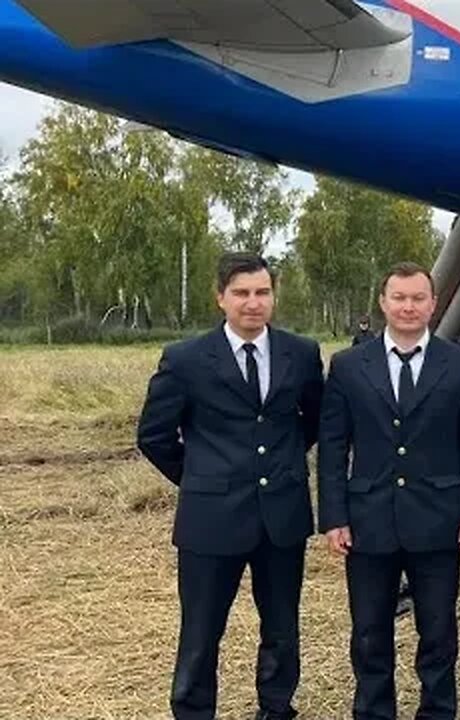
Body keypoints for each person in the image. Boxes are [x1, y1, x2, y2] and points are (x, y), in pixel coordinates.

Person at [136, 252, 324, 720]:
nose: (253, 303)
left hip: (281, 516)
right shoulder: (185, 360)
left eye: (262, 292)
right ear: (220, 297)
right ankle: (194, 712)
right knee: (201, 632)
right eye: (241, 293)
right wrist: (200, 476)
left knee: (282, 629)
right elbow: (154, 435)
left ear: (273, 297)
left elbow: (315, 420)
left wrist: (281, 467)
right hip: (210, 519)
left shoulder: (301, 353)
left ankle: (276, 709)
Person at [317, 261, 460, 720]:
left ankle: (437, 711)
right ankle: (374, 712)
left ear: (433, 304)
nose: (409, 307)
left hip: (439, 521)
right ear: (383, 303)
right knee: (370, 633)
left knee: (437, 633)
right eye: (399, 298)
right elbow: (333, 449)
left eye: (418, 298)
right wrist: (334, 517)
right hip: (368, 521)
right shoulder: (349, 366)